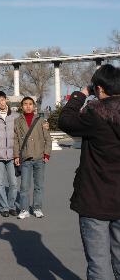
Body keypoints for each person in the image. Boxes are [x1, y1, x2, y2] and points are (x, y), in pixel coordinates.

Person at [58, 64, 120, 279]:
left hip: (96, 198)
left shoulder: (95, 115)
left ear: (100, 88)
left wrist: (80, 94)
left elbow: (65, 120)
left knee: (99, 265)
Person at [14, 97, 52, 219]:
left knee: (39, 185)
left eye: (30, 104)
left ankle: (37, 208)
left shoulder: (41, 120)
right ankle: (24, 209)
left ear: (34, 106)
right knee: (24, 186)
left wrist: (47, 154)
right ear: (21, 106)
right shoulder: (18, 121)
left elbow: (48, 138)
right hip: (25, 158)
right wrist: (16, 155)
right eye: (25, 104)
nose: (28, 106)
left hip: (39, 158)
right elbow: (16, 140)